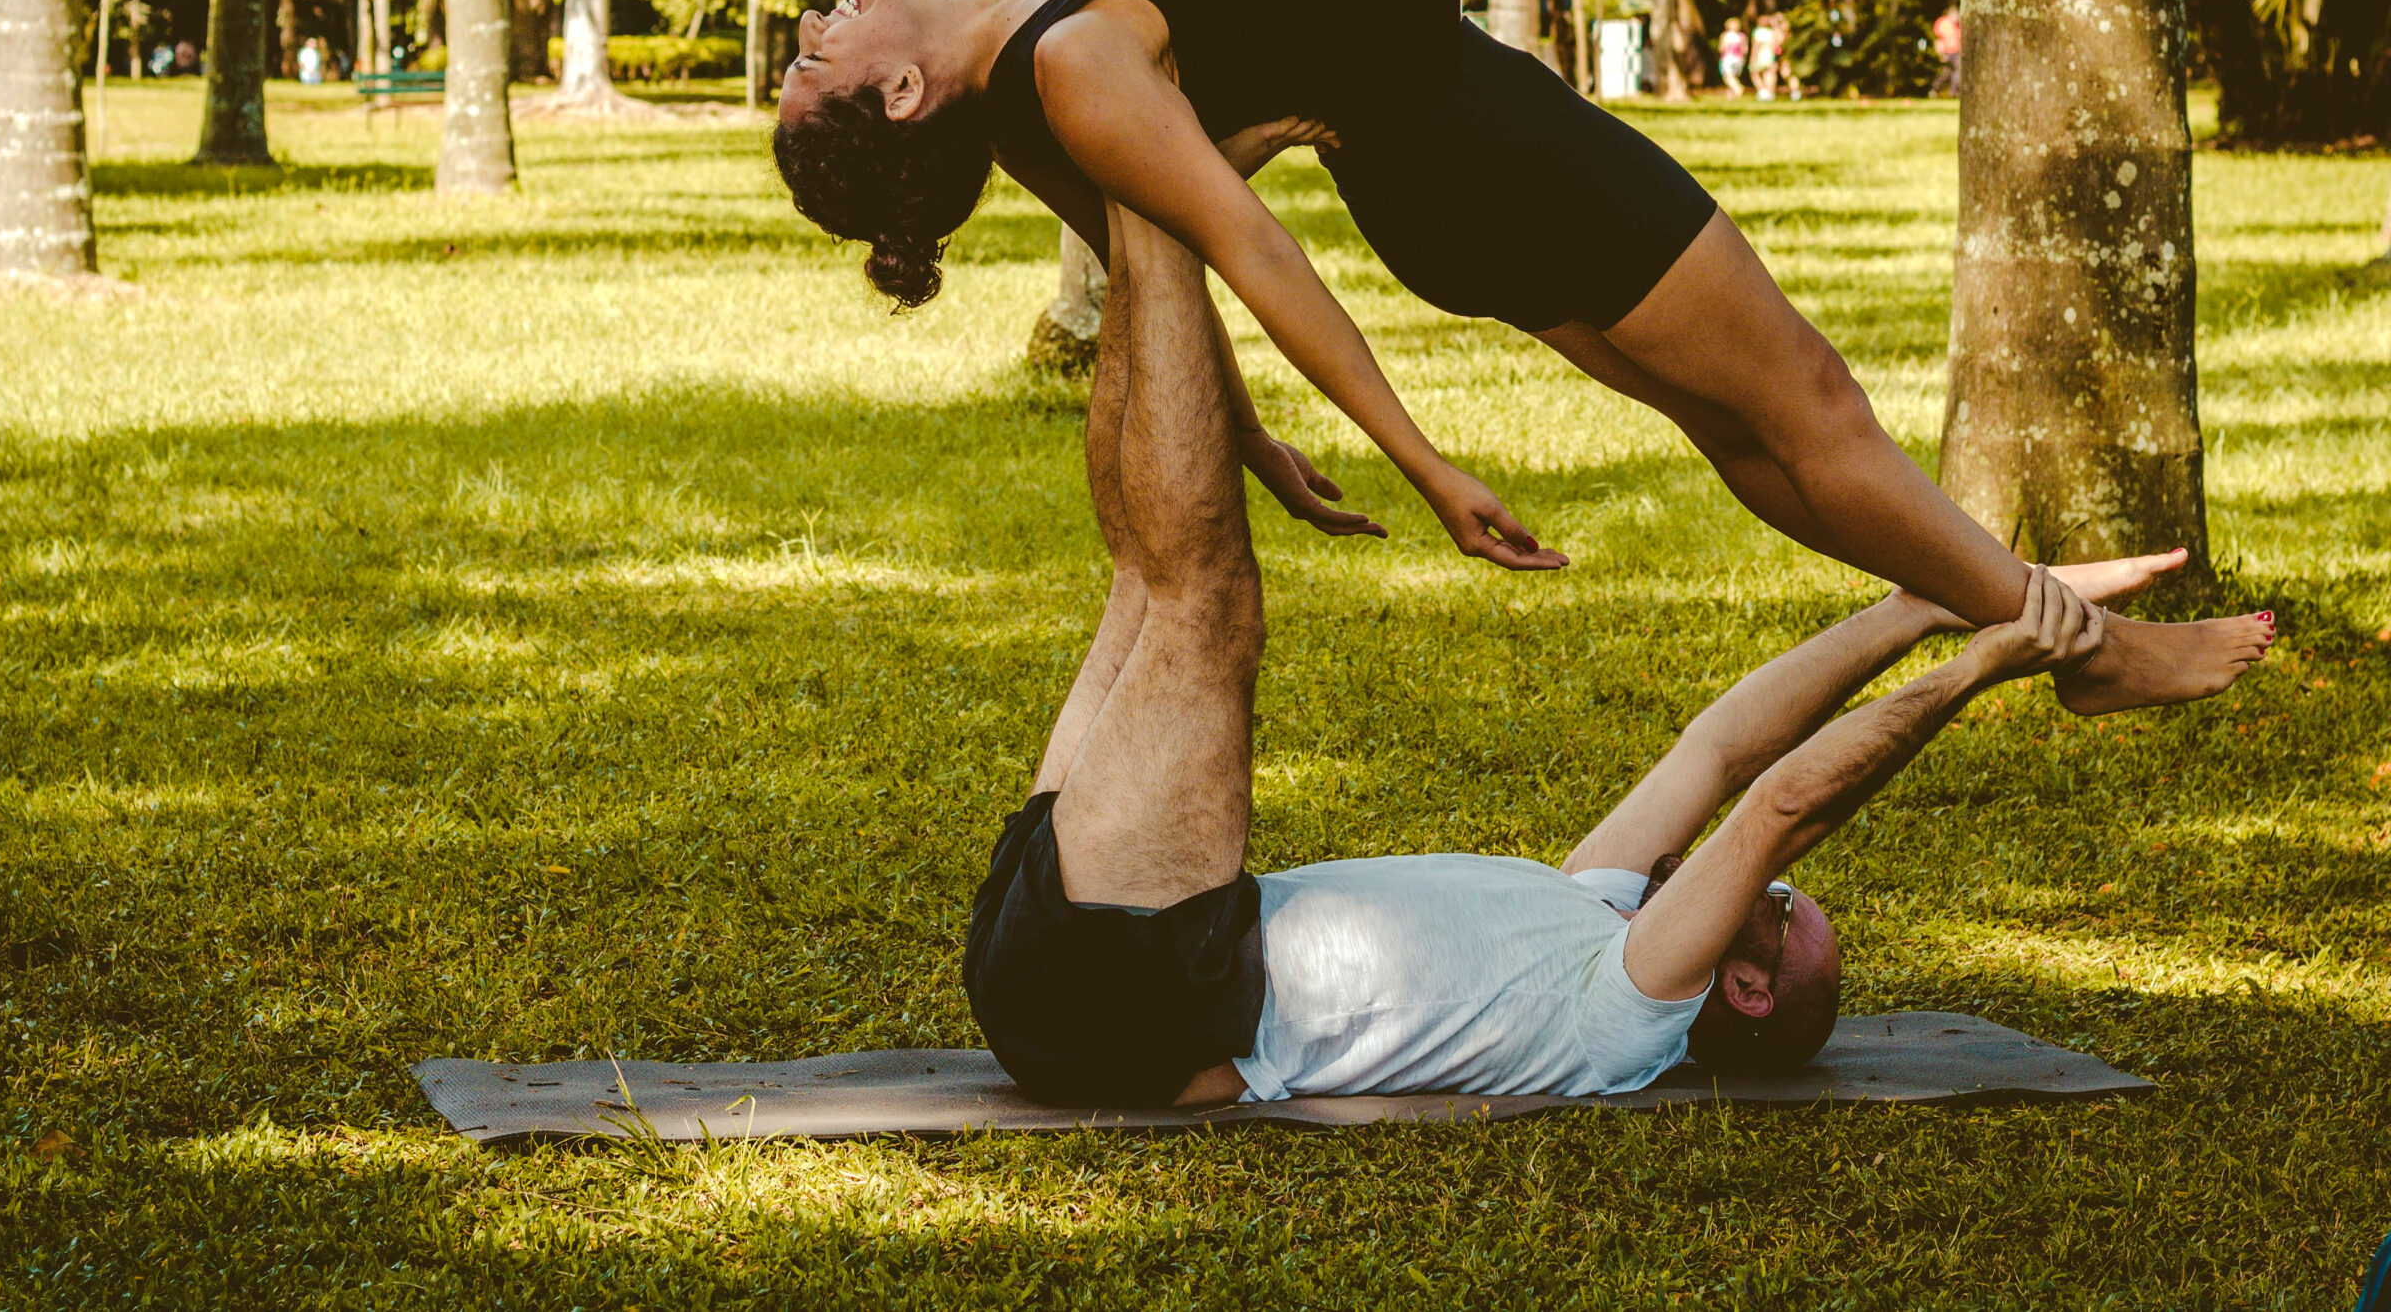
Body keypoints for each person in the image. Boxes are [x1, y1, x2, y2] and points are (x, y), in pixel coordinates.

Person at [772, 0, 2271, 715]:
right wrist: (1419, 457)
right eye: (818, 54)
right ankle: (2078, 646)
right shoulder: (1069, 69)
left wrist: (1263, 446)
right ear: (897, 92)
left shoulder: (1043, 75)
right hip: (1485, 150)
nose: (823, 20)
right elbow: (1251, 257)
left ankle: (1996, 597)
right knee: (1810, 402)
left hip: (1445, 188)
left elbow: (1160, 281)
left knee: (1736, 424)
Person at [962, 207, 2249, 1107]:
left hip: (1135, 990)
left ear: (1740, 990)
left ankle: (1151, 175)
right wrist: (1945, 602)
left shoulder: (1623, 1014)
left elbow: (1784, 801)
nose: (1774, 890)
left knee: (1205, 604)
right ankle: (1129, 182)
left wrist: (1979, 674)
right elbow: (1725, 747)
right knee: (1150, 585)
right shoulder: (1591, 915)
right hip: (1109, 946)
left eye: (1785, 917)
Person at [1933, 4, 1964, 98]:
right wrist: (1940, 53)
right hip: (1947, 51)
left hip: (1957, 51)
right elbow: (1938, 39)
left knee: (1957, 72)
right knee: (1945, 73)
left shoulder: (1960, 24)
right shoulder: (1943, 23)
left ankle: (1953, 92)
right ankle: (1934, 89)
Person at [1718, 17, 1750, 99]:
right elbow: (1745, 50)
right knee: (1734, 76)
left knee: (1727, 77)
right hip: (1739, 59)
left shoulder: (1726, 35)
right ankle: (1731, 95)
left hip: (1728, 58)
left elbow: (1722, 48)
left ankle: (1737, 88)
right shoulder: (1742, 36)